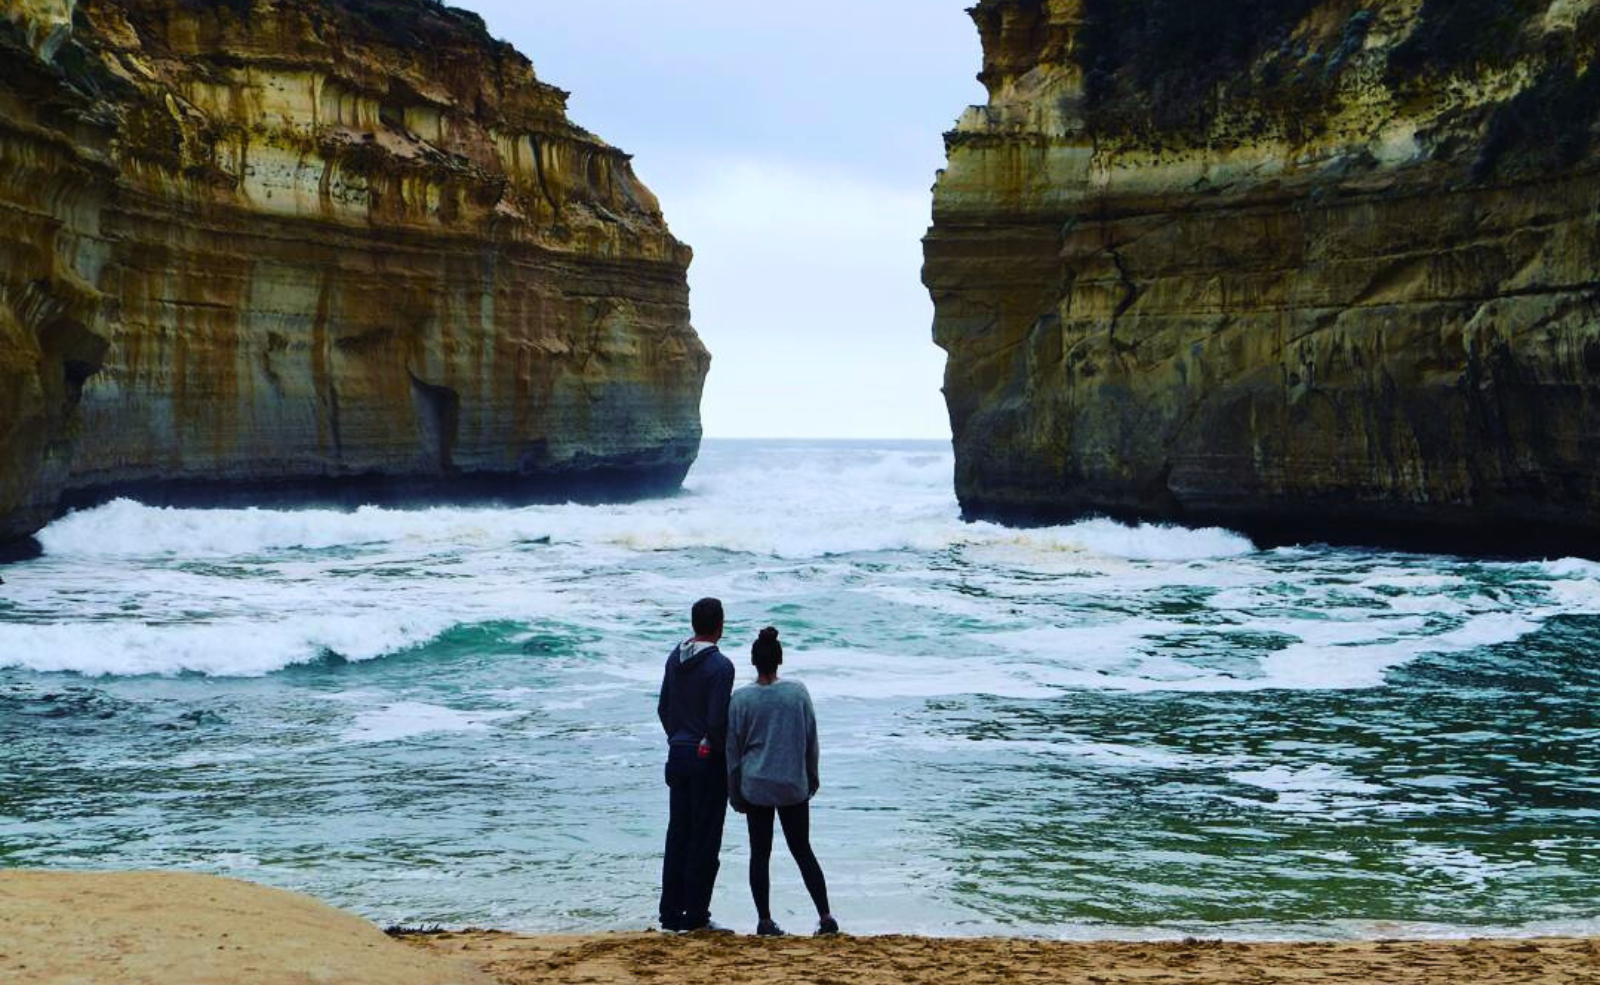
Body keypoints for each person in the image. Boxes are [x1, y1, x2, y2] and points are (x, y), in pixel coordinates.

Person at [726, 626, 839, 937]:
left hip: (756, 785)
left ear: (753, 661)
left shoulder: (741, 699)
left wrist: (734, 793)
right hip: (792, 783)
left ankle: (764, 921)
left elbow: (733, 752)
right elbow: (810, 739)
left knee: (759, 854)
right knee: (802, 849)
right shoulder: (797, 692)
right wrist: (811, 777)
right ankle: (826, 917)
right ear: (779, 661)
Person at [657, 597, 736, 933]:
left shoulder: (675, 658)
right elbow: (717, 722)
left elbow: (663, 708)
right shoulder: (721, 667)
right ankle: (697, 915)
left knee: (678, 835)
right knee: (705, 839)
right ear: (720, 625)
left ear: (694, 624)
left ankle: (670, 914)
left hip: (678, 754)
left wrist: (677, 737)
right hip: (706, 761)